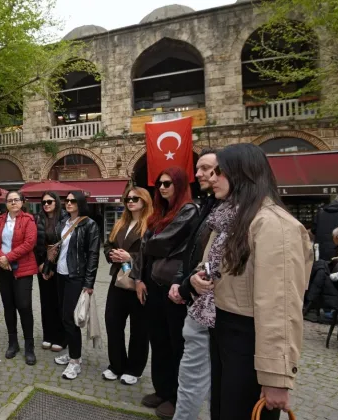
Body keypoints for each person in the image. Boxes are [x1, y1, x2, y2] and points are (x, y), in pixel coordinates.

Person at [190, 143, 311, 419]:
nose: (211, 177)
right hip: (225, 332)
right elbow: (213, 267)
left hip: (249, 340)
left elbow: (280, 306)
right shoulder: (232, 218)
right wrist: (198, 279)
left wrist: (276, 377)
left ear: (241, 173)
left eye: (219, 171)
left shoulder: (274, 224)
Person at [130, 167, 198, 419]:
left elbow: (161, 242)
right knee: (157, 340)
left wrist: (148, 242)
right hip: (152, 283)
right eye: (159, 183)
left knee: (175, 343)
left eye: (168, 183)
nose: (162, 187)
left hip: (174, 287)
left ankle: (177, 396)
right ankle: (162, 389)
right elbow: (143, 251)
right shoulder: (159, 213)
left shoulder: (189, 210)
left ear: (179, 185)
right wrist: (138, 279)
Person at [172, 149, 220, 420]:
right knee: (192, 379)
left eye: (205, 168)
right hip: (196, 303)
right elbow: (194, 250)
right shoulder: (210, 205)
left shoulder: (226, 211)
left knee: (199, 381)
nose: (198, 174)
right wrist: (183, 280)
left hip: (214, 312)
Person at [102, 186, 153, 386]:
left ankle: (134, 368)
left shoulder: (151, 224)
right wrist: (111, 255)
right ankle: (116, 365)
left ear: (145, 201)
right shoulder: (121, 222)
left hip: (139, 281)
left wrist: (130, 257)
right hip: (118, 279)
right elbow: (108, 244)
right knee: (112, 322)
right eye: (127, 199)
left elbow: (153, 253)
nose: (130, 201)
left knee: (139, 328)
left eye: (135, 198)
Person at [52, 191, 101, 380]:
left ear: (80, 203)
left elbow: (93, 255)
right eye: (67, 200)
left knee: (71, 319)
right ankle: (73, 352)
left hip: (76, 276)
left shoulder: (89, 224)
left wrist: (89, 282)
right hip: (61, 274)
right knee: (64, 316)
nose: (69, 203)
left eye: (73, 201)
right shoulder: (64, 222)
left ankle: (75, 361)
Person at [0, 191, 39, 365]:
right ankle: (13, 343)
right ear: (6, 203)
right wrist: (0, 257)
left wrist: (7, 257)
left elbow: (29, 243)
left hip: (22, 269)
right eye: (10, 201)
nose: (13, 203)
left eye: (16, 200)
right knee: (8, 306)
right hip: (3, 270)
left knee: (24, 306)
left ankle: (29, 346)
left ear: (22, 202)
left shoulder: (28, 220)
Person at [34, 192, 66, 352]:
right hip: (42, 264)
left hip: (59, 266)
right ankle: (48, 335)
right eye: (44, 202)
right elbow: (35, 244)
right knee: (46, 302)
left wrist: (52, 267)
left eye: (50, 201)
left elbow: (65, 245)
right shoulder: (38, 218)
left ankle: (60, 337)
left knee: (59, 302)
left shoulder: (64, 219)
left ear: (56, 202)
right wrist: (40, 264)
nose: (46, 204)